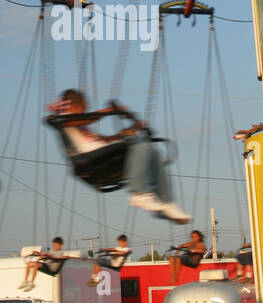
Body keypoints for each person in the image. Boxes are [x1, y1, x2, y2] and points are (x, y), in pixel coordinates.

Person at [48, 89, 190, 222]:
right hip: (92, 159)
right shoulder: (65, 119)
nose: (85, 112)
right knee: (139, 143)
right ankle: (139, 192)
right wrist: (111, 110)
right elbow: (81, 119)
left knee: (152, 151)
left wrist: (122, 134)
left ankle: (167, 202)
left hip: (106, 154)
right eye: (83, 108)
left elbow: (103, 140)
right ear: (74, 105)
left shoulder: (80, 127)